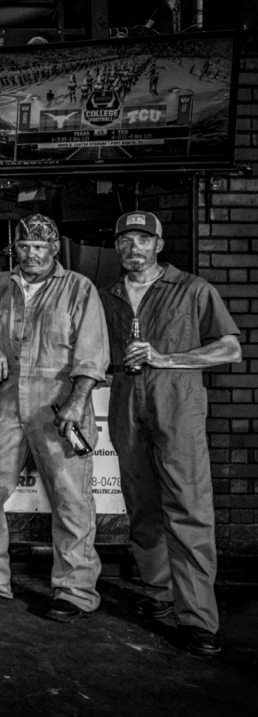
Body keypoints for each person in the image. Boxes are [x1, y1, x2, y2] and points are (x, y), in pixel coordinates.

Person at [99, 211, 241, 657]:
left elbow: (230, 348)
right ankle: (159, 593)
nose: (134, 248)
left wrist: (166, 359)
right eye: (126, 240)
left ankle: (197, 619)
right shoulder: (108, 295)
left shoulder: (193, 289)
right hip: (126, 402)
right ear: (117, 246)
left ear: (159, 245)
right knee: (142, 505)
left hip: (177, 403)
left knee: (188, 508)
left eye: (143, 240)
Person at [0, 216, 109, 623]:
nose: (31, 254)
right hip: (7, 403)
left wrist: (77, 402)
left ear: (54, 249)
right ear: (14, 247)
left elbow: (92, 354)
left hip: (60, 405)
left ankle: (75, 591)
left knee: (71, 500)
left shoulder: (79, 288)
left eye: (39, 247)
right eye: (24, 246)